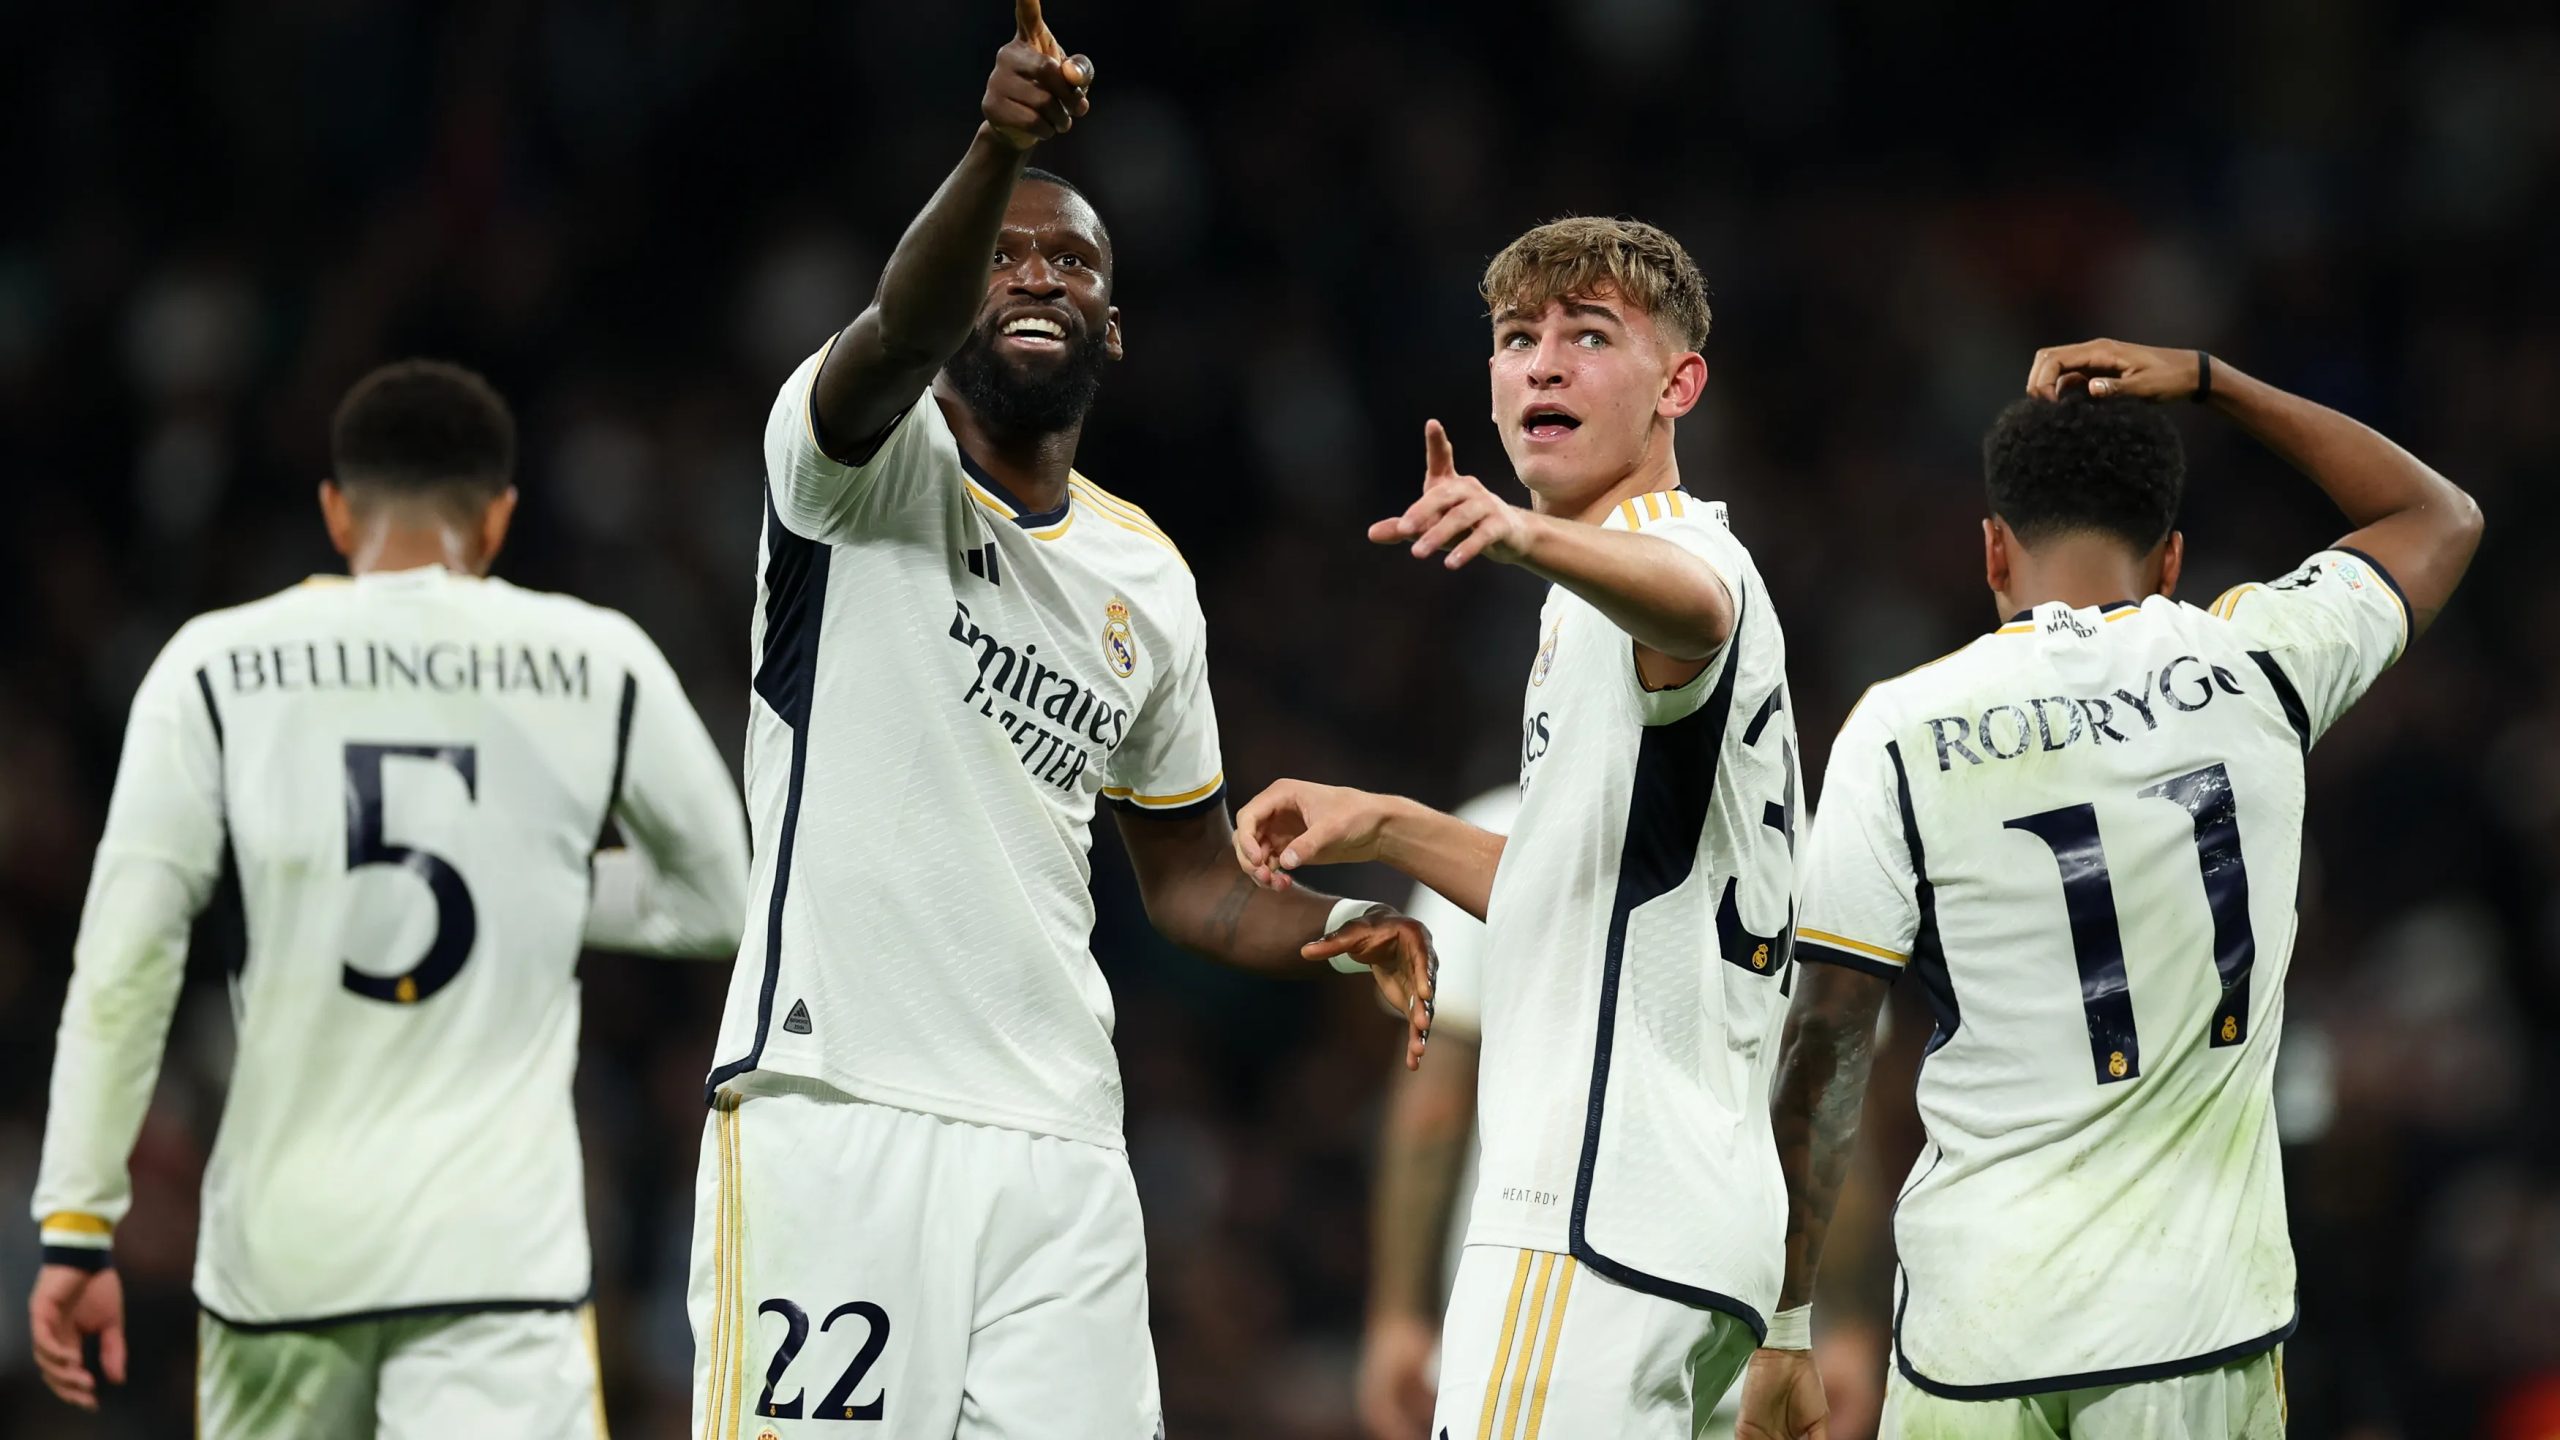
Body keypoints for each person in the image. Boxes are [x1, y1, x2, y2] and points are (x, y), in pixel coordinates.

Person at [690, 13, 1436, 1438]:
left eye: (1075, 262)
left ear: (1115, 325)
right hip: (839, 1105)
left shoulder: (1145, 579)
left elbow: (1195, 881)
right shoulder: (849, 465)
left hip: (1061, 1146)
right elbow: (901, 329)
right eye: (1005, 255)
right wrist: (999, 145)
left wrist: (1345, 926)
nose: (1037, 273)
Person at [1739, 341, 2485, 1440]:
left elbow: (1827, 1036)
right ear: (2172, 559)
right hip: (2197, 1327)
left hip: (1975, 1335)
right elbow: (2437, 516)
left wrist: (1786, 1321)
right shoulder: (2261, 665)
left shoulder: (1899, 729)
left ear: (1993, 550)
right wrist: (2213, 380)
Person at [27, 359, 751, 1437]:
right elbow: (721, 898)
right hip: (498, 1263)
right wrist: (534, 883)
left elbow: (125, 961)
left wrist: (77, 1225)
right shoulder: (598, 660)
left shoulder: (213, 666)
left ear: (335, 511)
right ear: (498, 518)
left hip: (283, 1259)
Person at [1239, 216, 1802, 1438]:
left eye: (1589, 337)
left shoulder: (1669, 552)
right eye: (1515, 338)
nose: (1542, 363)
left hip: (1588, 1216)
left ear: (1678, 385)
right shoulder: (1596, 591)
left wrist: (1525, 532)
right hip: (1695, 1228)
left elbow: (1697, 611)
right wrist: (1387, 824)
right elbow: (1585, 891)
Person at [1359, 785, 1516, 1440]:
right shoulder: (1795, 843)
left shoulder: (1498, 832)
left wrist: (1397, 1315)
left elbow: (1435, 1109)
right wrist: (1818, 1319)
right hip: (1746, 1327)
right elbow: (1813, 1099)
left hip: (1523, 1329)